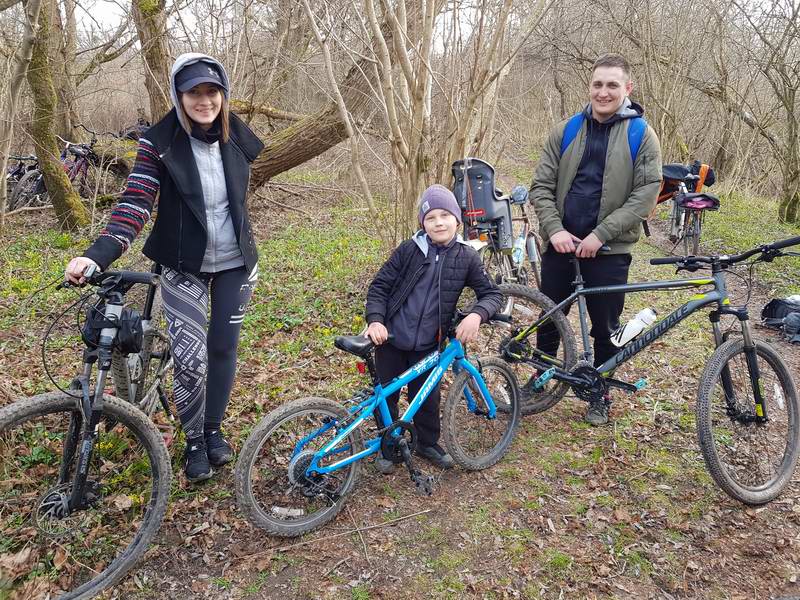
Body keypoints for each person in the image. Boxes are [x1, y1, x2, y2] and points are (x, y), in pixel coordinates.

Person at [65, 53, 265, 482]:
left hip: (236, 263)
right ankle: (193, 439)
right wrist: (96, 255)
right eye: (194, 92)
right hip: (181, 264)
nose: (204, 100)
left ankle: (213, 431)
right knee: (191, 358)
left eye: (212, 91)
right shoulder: (159, 142)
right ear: (179, 95)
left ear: (223, 94)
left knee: (223, 348)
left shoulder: (237, 138)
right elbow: (135, 203)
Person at [529, 53, 662, 426]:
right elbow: (541, 186)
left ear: (627, 89)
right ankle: (540, 375)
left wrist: (600, 234)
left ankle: (599, 391)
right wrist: (554, 229)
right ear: (590, 87)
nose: (603, 92)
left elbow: (646, 194)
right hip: (561, 244)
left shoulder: (642, 135)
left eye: (612, 85)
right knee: (550, 315)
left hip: (610, 249)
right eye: (597, 84)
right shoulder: (566, 131)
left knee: (605, 326)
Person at [364, 184, 503, 472]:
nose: (438, 222)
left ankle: (427, 443)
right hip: (390, 338)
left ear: (456, 220)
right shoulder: (409, 250)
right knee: (386, 395)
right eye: (430, 218)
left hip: (429, 342)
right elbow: (379, 286)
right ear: (423, 224)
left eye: (444, 215)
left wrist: (477, 315)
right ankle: (389, 446)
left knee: (426, 395)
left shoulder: (467, 257)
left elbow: (493, 295)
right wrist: (376, 320)